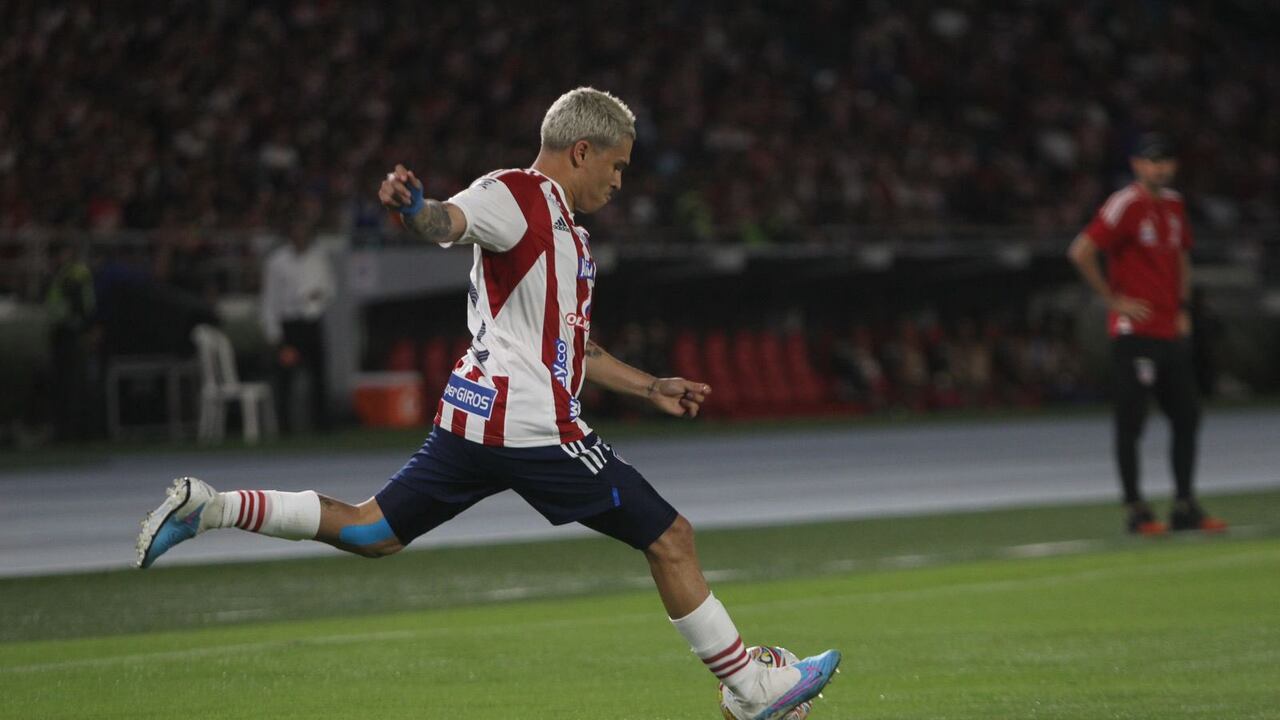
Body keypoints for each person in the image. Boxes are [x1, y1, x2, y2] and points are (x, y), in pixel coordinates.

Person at [136, 87, 840, 720]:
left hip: (475, 417)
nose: (620, 182)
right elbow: (449, 221)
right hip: (530, 425)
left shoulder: (570, 232)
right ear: (583, 149)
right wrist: (416, 209)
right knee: (671, 536)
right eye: (617, 166)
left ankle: (212, 506)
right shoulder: (518, 195)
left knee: (369, 531)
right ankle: (751, 690)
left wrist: (650, 384)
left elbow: (575, 349)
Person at [1067, 133, 1227, 536]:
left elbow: (1182, 259)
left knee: (1187, 416)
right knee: (1131, 421)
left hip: (1169, 329)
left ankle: (1185, 504)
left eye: (1167, 161)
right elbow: (1081, 250)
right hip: (1135, 330)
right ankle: (1136, 509)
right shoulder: (1126, 204)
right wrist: (1113, 300)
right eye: (1153, 161)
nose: (1161, 168)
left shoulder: (1174, 204)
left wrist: (1185, 308)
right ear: (1137, 165)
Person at [260, 219, 336, 433]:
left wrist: (318, 296)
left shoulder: (318, 257)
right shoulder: (276, 262)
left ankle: (322, 425)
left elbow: (330, 287)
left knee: (319, 376)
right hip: (290, 326)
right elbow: (270, 299)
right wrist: (274, 333)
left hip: (312, 322)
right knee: (286, 379)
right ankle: (284, 427)